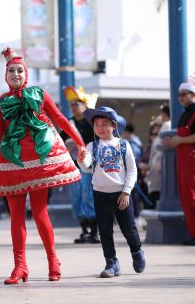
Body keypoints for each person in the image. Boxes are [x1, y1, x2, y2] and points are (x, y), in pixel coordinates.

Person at [0, 48, 86, 284]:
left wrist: (80, 142)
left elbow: (61, 119)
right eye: (11, 70)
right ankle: (20, 266)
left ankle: (53, 260)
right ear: (6, 75)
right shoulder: (1, 103)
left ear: (26, 73)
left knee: (41, 214)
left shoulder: (39, 94)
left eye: (20, 70)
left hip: (42, 160)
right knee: (16, 217)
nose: (16, 74)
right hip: (13, 162)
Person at [77, 106, 146, 278]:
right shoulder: (92, 146)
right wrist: (81, 159)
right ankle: (111, 262)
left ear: (114, 126)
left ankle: (137, 252)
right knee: (105, 231)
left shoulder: (124, 145)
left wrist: (126, 192)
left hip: (121, 194)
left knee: (129, 229)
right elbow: (86, 166)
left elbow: (132, 170)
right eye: (97, 124)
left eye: (104, 124)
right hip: (100, 194)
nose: (100, 128)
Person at [163, 79, 195, 246]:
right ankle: (194, 234)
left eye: (184, 95)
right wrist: (174, 140)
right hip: (184, 162)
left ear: (193, 95)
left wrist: (179, 140)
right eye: (179, 95)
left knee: (194, 198)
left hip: (193, 161)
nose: (180, 98)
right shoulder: (185, 114)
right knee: (186, 198)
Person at [63, 86, 100, 244]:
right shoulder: (68, 124)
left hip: (89, 167)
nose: (73, 106)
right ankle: (84, 231)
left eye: (77, 103)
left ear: (84, 105)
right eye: (71, 104)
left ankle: (94, 232)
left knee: (89, 198)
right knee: (76, 199)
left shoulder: (92, 123)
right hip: (73, 167)